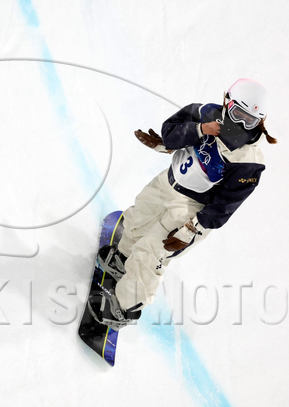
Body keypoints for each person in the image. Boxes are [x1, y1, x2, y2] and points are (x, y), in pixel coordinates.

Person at [89, 78, 278, 330]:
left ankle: (124, 307)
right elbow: (171, 131)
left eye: (250, 121)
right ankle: (122, 260)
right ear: (227, 102)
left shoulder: (249, 161)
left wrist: (191, 230)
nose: (241, 124)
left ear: (261, 121)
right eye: (237, 114)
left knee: (152, 253)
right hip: (168, 181)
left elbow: (225, 205)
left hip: (190, 209)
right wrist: (196, 131)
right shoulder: (206, 113)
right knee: (136, 220)